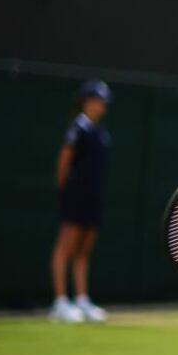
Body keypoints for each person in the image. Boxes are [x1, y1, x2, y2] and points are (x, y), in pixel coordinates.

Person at [50, 80, 111, 324]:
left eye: (104, 102)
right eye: (97, 100)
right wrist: (66, 192)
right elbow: (64, 161)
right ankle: (61, 302)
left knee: (84, 250)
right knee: (66, 247)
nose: (101, 106)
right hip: (75, 196)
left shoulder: (100, 132)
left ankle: (82, 299)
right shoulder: (78, 128)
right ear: (86, 102)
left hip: (93, 197)